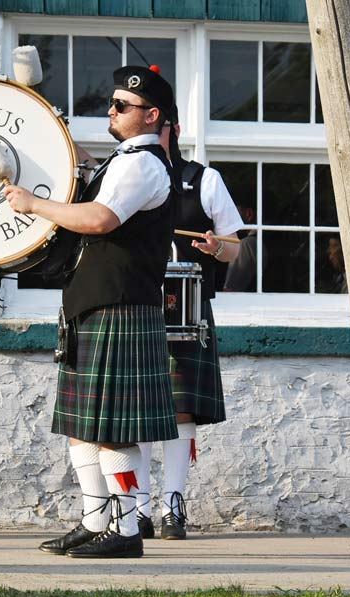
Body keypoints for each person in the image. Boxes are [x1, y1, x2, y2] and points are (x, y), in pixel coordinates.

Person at [4, 65, 179, 559]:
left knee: (113, 431)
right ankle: (95, 520)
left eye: (122, 105)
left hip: (119, 306)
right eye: (112, 102)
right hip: (94, 302)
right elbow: (82, 167)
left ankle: (125, 529)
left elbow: (100, 218)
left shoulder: (143, 165)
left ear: (151, 115)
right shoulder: (122, 160)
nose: (111, 110)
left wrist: (34, 205)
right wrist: (46, 119)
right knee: (83, 426)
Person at [133, 105, 245, 540]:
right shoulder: (126, 175)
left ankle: (173, 506)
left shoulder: (203, 180)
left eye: (159, 129)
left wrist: (216, 247)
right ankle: (138, 507)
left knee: (180, 408)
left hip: (188, 309)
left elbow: (234, 246)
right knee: (139, 407)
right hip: (135, 303)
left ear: (174, 129)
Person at [223, 202, 265, 292]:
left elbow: (230, 291)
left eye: (233, 213)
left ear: (248, 214)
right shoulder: (262, 240)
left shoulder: (247, 244)